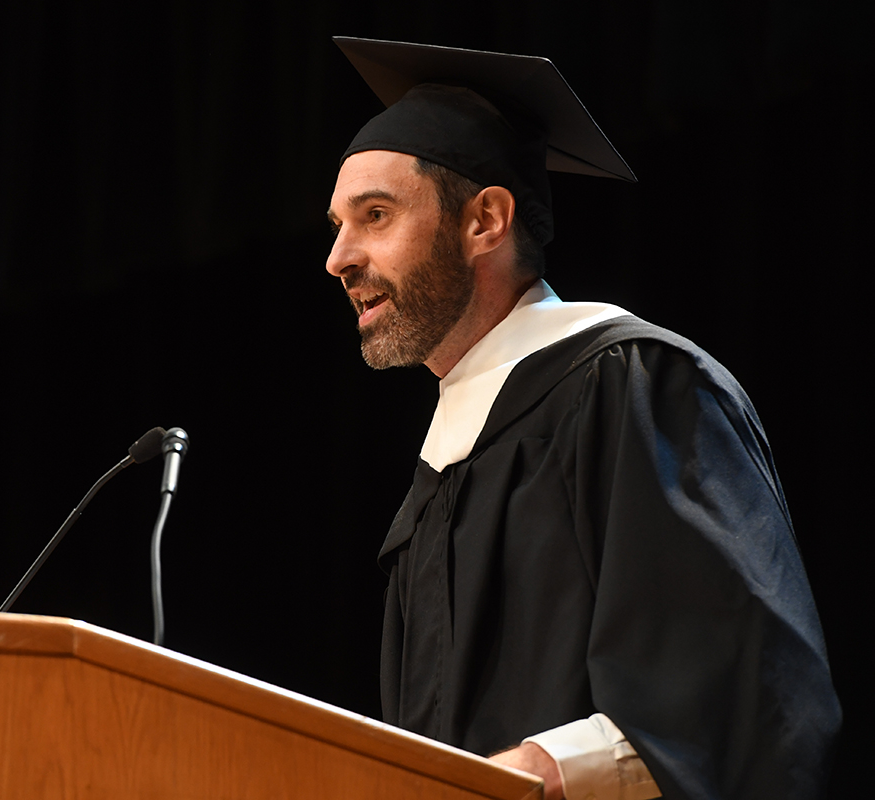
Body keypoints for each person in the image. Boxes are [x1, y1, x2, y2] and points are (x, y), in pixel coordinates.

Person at [325, 38, 841, 800]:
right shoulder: (441, 474)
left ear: (485, 221)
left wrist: (533, 774)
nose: (338, 257)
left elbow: (746, 685)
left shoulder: (633, 386)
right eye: (336, 226)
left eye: (375, 215)